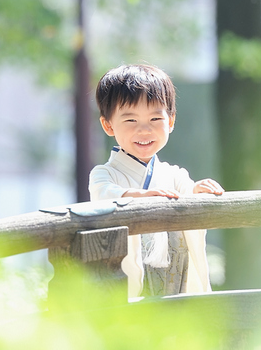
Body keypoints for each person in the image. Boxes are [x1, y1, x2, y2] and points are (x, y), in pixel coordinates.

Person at [89, 64, 224, 298]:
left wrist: (199, 190)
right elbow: (104, 195)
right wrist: (139, 197)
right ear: (108, 125)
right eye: (130, 120)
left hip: (175, 274)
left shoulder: (173, 174)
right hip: (127, 280)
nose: (144, 130)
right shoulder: (104, 174)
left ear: (170, 121)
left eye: (154, 118)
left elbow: (188, 192)